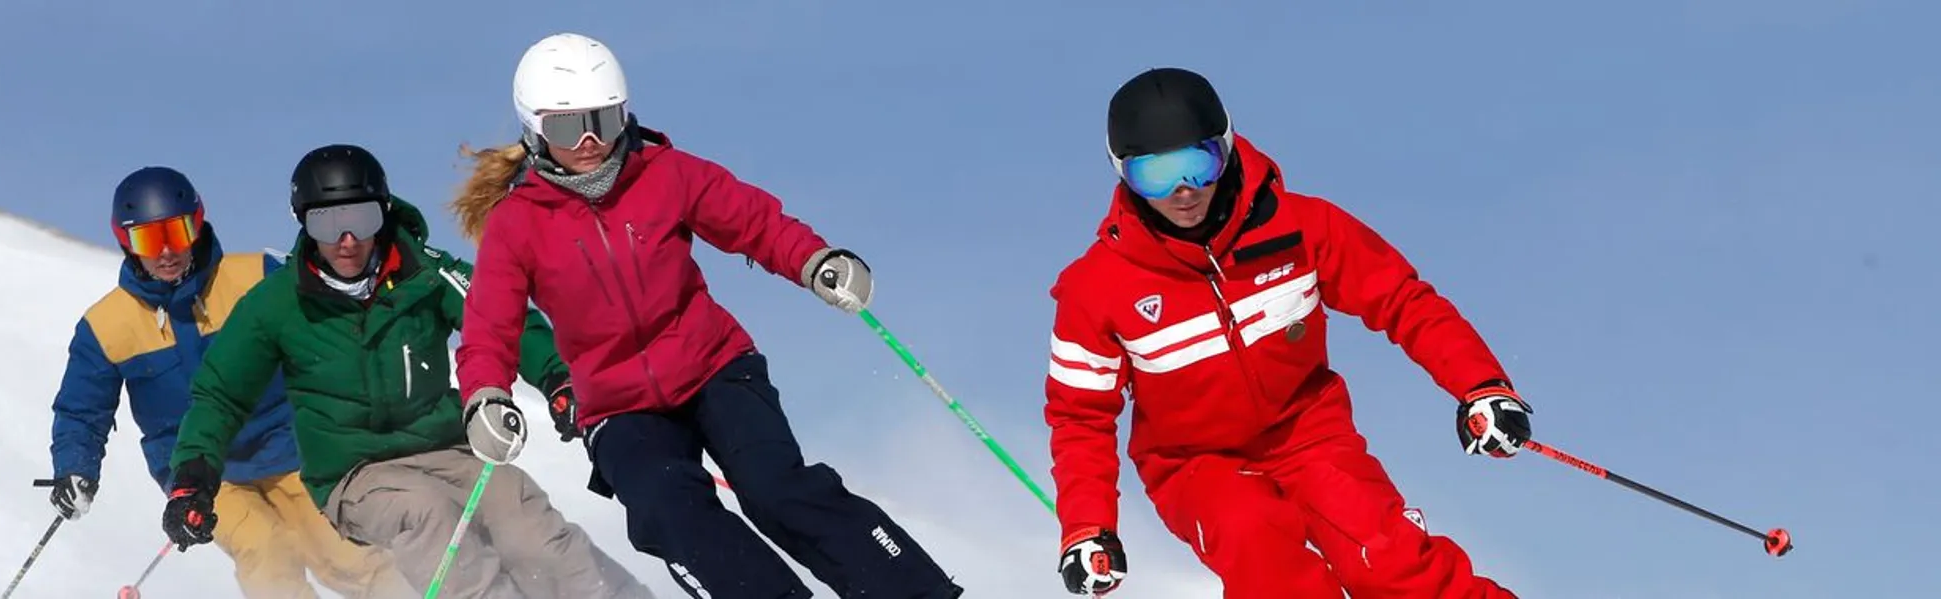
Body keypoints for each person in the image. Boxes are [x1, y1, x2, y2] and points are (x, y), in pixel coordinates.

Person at [446, 33, 963, 599]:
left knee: (776, 490)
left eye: (606, 119)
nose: (592, 140)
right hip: (617, 406)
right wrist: (485, 396)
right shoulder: (518, 224)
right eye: (571, 127)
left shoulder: (665, 173)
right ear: (536, 129)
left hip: (714, 366)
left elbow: (754, 222)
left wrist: (815, 260)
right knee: (669, 510)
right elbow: (490, 328)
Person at [1042, 67, 1531, 599]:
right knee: (1266, 564)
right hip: (1195, 466)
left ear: (1225, 150)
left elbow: (1403, 302)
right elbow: (1079, 418)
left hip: (1311, 434)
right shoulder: (1096, 289)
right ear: (1123, 176)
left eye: (1197, 165)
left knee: (1389, 562)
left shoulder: (1302, 228)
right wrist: (1087, 526)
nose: (1183, 192)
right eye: (1155, 176)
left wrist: (1481, 386)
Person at [161, 143, 655, 599]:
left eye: (361, 217)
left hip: (448, 450)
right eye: (327, 224)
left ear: (384, 211)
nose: (347, 239)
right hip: (354, 474)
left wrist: (557, 378)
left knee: (524, 517)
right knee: (428, 515)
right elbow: (220, 397)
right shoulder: (275, 304)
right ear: (304, 225)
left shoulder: (425, 273)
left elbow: (500, 315)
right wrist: (192, 479)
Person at [46, 166, 413, 598]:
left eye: (176, 232)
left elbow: (330, 332)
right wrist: (74, 469)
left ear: (197, 224)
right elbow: (82, 409)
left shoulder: (255, 276)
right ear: (126, 243)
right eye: (148, 239)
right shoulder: (107, 326)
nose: (166, 252)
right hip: (203, 476)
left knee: (346, 553)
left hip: (293, 450)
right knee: (265, 553)